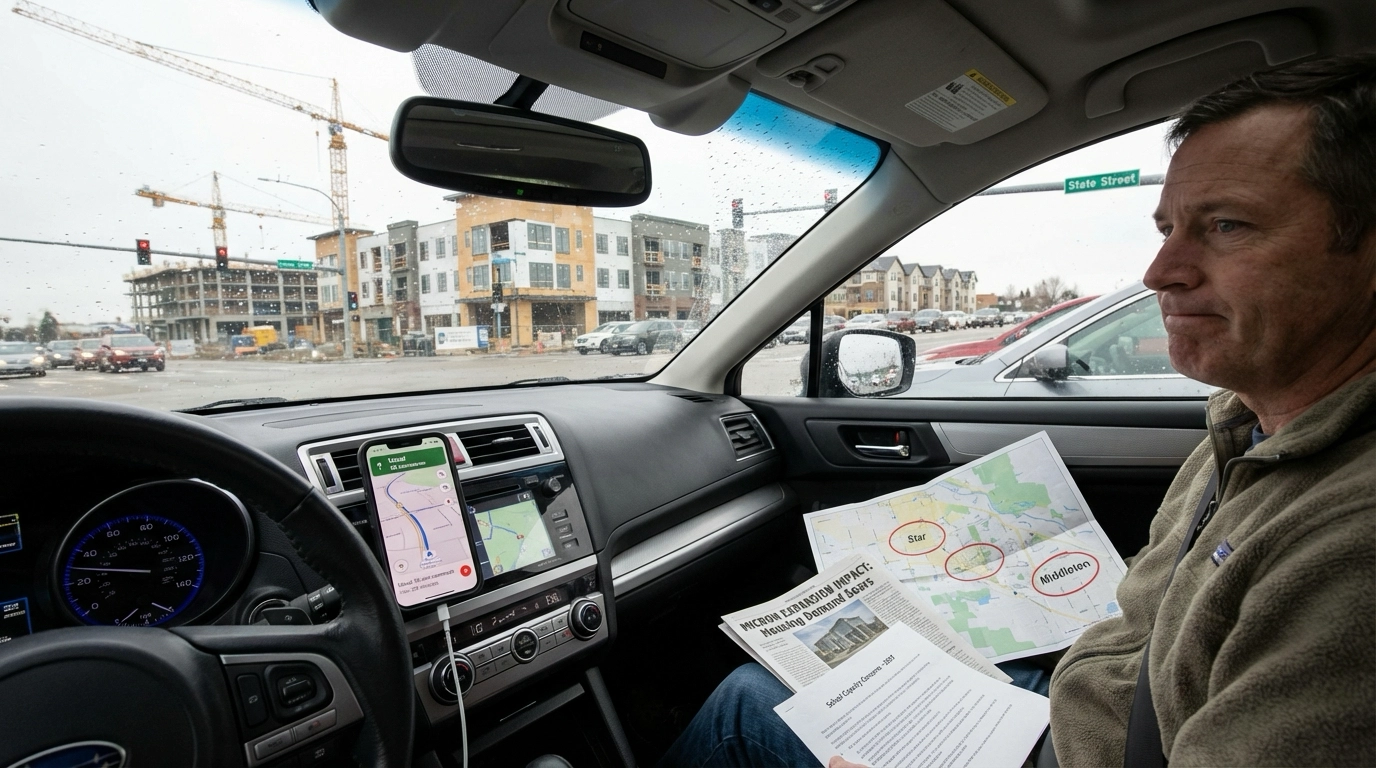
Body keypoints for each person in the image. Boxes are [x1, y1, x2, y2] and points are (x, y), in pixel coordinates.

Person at [659, 53, 1376, 768]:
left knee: (746, 709)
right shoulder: (1245, 426)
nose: (1162, 272)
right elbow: (1166, 618)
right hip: (1096, 712)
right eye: (1168, 230)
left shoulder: (1352, 545)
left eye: (1227, 226)